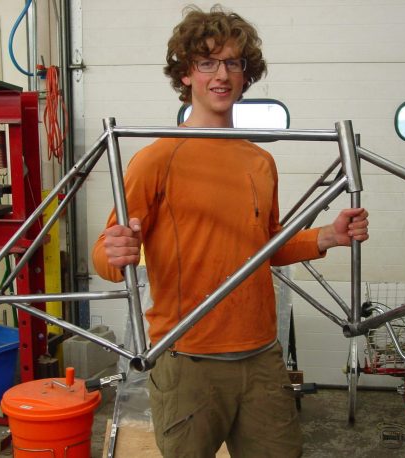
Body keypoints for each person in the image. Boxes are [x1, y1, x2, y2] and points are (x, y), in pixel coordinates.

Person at [93, 5, 369, 457]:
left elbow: (268, 246)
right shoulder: (157, 158)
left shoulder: (260, 162)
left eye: (232, 63)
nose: (221, 75)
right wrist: (115, 251)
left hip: (262, 358)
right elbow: (106, 257)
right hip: (189, 362)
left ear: (245, 75)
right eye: (207, 63)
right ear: (185, 74)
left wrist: (327, 237)